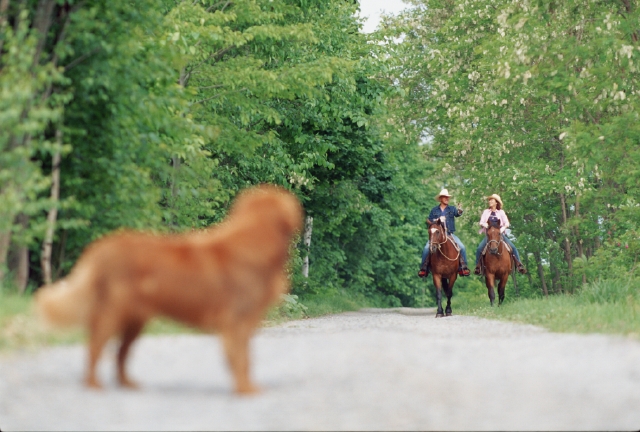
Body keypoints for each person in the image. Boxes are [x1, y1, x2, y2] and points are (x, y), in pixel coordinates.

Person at [418, 188, 470, 278]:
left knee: (462, 247)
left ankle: (463, 267)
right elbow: (430, 222)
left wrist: (460, 210)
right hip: (436, 236)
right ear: (441, 199)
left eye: (448, 197)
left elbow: (458, 213)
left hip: (449, 234)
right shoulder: (434, 210)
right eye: (445, 197)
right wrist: (436, 220)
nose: (447, 199)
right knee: (426, 248)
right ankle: (424, 268)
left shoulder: (452, 208)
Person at [473, 194, 526, 275]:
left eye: (492, 200)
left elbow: (507, 223)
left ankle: (519, 265)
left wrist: (501, 229)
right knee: (479, 248)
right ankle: (478, 267)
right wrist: (485, 225)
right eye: (489, 200)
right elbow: (481, 222)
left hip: (499, 235)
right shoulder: (486, 212)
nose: (490, 201)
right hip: (489, 236)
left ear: (496, 202)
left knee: (513, 247)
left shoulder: (501, 212)